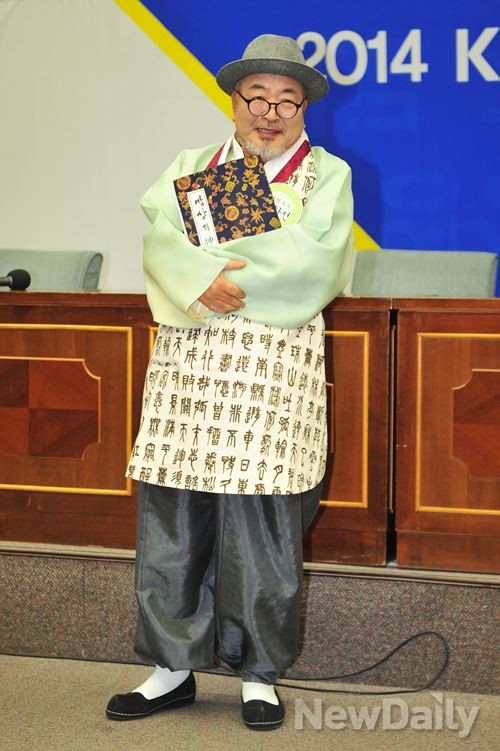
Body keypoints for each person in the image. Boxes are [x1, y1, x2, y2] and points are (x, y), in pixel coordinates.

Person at [106, 33, 354, 731]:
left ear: (304, 109)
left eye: (287, 101)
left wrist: (211, 264)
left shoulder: (326, 175)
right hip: (189, 370)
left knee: (263, 524)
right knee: (175, 516)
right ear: (235, 101)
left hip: (272, 374)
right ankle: (170, 667)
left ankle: (258, 674)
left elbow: (313, 264)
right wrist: (197, 278)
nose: (270, 114)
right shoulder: (190, 165)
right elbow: (161, 240)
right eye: (258, 98)